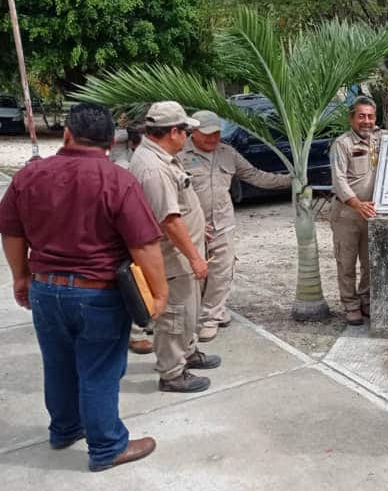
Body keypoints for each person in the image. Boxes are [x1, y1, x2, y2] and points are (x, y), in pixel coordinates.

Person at [0, 103, 164, 471]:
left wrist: (20, 276)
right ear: (110, 140)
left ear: (67, 134)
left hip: (45, 289)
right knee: (100, 371)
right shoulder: (118, 180)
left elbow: (11, 230)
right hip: (98, 292)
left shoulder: (30, 176)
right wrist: (159, 292)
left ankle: (64, 429)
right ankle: (107, 447)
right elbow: (144, 245)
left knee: (58, 365)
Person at [129, 101, 221, 393]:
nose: (188, 136)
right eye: (185, 130)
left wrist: (196, 228)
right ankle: (171, 373)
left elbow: (179, 207)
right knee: (176, 315)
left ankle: (187, 353)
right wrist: (195, 257)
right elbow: (168, 220)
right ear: (172, 132)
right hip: (174, 257)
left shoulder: (163, 156)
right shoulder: (153, 169)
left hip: (183, 252)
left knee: (188, 310)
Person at [177, 110, 292, 342]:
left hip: (223, 223)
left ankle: (210, 317)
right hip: (191, 227)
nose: (213, 138)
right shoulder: (179, 155)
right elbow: (172, 195)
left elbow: (255, 176)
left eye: (217, 133)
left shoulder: (227, 153)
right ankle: (204, 311)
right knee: (194, 274)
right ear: (193, 132)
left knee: (221, 272)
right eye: (207, 134)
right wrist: (189, 223)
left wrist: (290, 180)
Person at [329, 96, 388, 324]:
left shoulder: (379, 137)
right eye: (361, 116)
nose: (366, 121)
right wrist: (357, 204)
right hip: (348, 214)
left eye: (370, 116)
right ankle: (350, 305)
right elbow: (338, 180)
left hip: (371, 214)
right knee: (346, 263)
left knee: (369, 262)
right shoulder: (341, 144)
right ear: (351, 118)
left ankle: (365, 301)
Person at [110, 124, 155, 355]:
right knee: (133, 279)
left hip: (146, 228)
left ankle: (146, 324)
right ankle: (136, 332)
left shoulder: (135, 158)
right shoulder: (123, 164)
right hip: (131, 231)